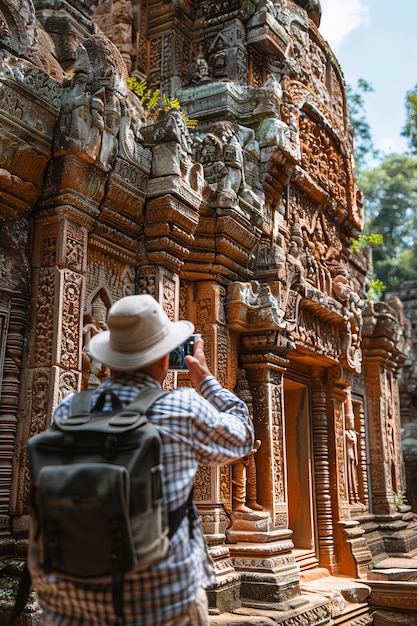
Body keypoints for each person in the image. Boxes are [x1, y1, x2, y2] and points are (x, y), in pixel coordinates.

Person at [32, 294, 255, 626]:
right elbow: (243, 437)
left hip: (71, 599)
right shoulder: (181, 408)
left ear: (110, 359)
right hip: (161, 603)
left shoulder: (70, 409)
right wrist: (205, 380)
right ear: (164, 358)